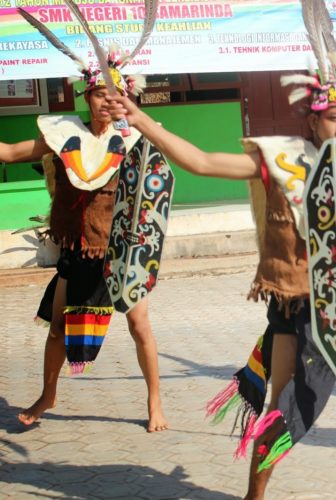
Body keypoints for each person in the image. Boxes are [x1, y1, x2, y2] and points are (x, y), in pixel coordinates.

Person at [105, 15, 336, 499]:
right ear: (314, 119)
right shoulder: (279, 160)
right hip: (292, 306)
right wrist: (142, 119)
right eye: (335, 116)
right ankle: (255, 495)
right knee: (278, 411)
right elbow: (203, 163)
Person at [1, 13, 167, 432]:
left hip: (120, 253)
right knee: (57, 329)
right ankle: (48, 393)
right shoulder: (62, 134)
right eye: (96, 94)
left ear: (124, 99)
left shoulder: (136, 139)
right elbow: (8, 152)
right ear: (86, 96)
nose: (103, 103)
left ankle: (155, 403)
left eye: (111, 95)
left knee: (140, 326)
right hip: (77, 248)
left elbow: (156, 191)